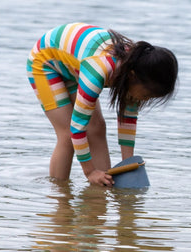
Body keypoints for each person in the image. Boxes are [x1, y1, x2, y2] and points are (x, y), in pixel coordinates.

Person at [27, 22, 178, 187]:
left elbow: (127, 120)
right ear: (133, 76)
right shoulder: (98, 71)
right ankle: (60, 197)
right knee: (67, 135)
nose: (146, 100)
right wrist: (90, 172)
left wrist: (127, 165)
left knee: (97, 128)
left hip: (73, 64)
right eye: (147, 95)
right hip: (45, 62)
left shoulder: (137, 69)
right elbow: (77, 128)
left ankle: (102, 188)